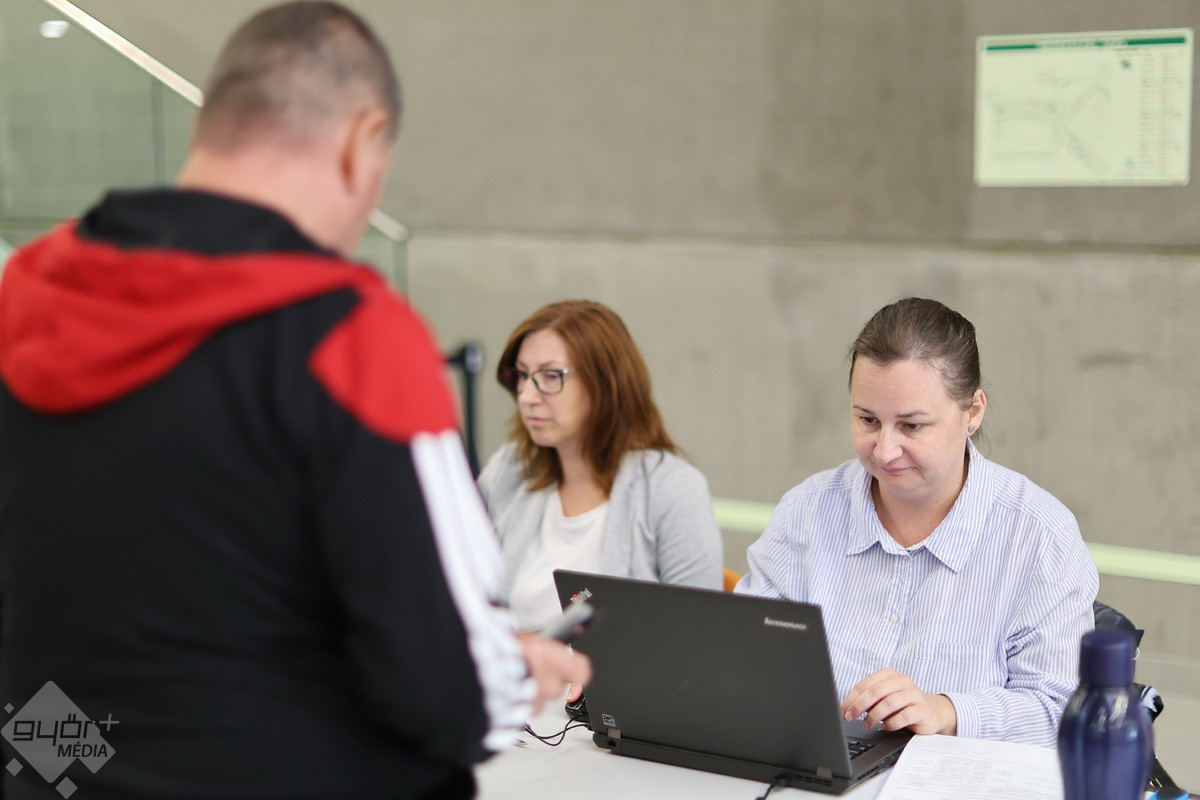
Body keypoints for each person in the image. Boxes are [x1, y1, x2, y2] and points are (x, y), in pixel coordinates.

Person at [0, 3, 588, 799]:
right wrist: (510, 672)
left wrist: (89, 774)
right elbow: (450, 697)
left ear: (209, 126)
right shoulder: (350, 337)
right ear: (360, 142)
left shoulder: (28, 299)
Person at [737, 297, 1097, 748]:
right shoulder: (805, 511)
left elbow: (1061, 711)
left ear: (973, 411)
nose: (884, 450)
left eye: (912, 426)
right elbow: (741, 659)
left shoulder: (1041, 536)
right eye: (868, 419)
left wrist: (947, 712)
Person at [478, 300, 723, 632]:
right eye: (522, 375)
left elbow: (698, 635)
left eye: (550, 376)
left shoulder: (671, 488)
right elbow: (456, 592)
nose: (526, 396)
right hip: (508, 664)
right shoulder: (509, 469)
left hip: (618, 669)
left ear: (605, 383)